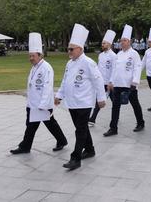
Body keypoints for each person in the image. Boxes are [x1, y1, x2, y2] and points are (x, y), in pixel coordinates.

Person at [55, 24, 106, 170]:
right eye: (68, 48)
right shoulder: (69, 63)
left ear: (80, 49)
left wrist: (101, 98)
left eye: (71, 49)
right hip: (72, 103)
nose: (69, 51)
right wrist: (59, 95)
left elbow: (98, 80)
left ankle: (75, 158)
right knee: (81, 128)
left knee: (80, 130)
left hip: (84, 102)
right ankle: (90, 149)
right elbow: (65, 81)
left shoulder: (89, 63)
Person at [10, 33, 67, 155]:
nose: (31, 58)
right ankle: (26, 146)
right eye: (29, 56)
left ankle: (60, 141)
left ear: (40, 55)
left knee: (48, 124)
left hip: (42, 105)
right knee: (32, 126)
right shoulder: (34, 67)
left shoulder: (46, 68)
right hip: (33, 104)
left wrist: (43, 105)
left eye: (33, 56)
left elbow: (47, 87)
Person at [103, 25, 145, 137]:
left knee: (135, 104)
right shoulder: (118, 54)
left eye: (125, 40)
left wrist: (134, 82)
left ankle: (140, 123)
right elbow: (114, 70)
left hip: (129, 85)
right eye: (121, 41)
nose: (123, 42)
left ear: (130, 41)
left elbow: (137, 68)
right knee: (115, 107)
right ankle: (113, 128)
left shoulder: (134, 54)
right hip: (117, 84)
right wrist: (111, 82)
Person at [88, 30, 117, 126]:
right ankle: (92, 119)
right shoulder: (100, 55)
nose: (102, 45)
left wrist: (111, 82)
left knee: (115, 101)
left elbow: (114, 70)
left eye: (104, 43)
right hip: (101, 82)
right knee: (99, 100)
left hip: (110, 83)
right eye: (102, 43)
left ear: (109, 44)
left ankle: (115, 116)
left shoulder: (113, 56)